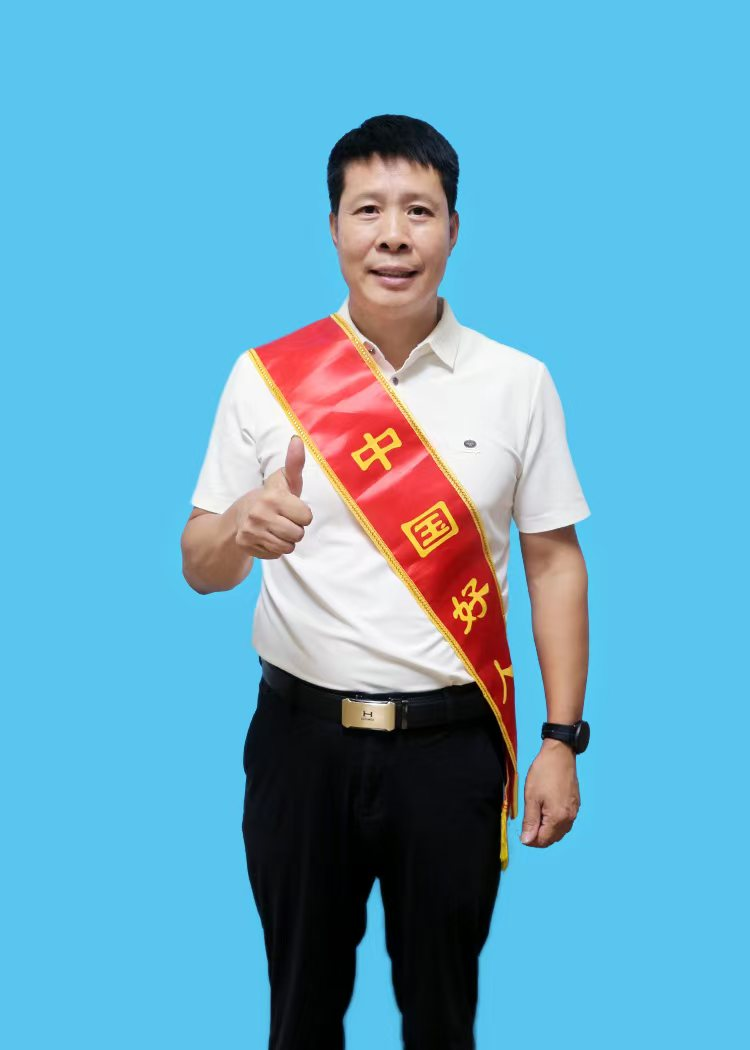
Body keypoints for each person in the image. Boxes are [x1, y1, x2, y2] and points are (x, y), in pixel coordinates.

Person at [180, 114, 591, 1050]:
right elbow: (199, 564)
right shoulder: (267, 376)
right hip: (299, 745)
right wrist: (238, 528)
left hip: (452, 751)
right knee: (299, 1013)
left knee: (444, 1017)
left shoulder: (519, 381)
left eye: (419, 210)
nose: (393, 235)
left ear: (453, 228)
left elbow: (554, 563)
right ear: (333, 227)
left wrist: (562, 739)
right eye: (368, 210)